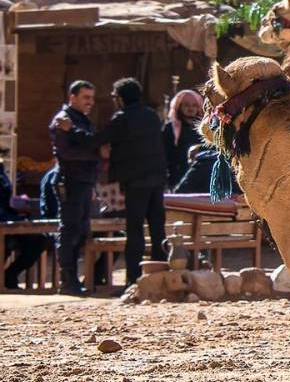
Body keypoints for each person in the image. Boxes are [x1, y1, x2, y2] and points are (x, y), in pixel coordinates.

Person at [93, 79, 169, 286]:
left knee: (135, 231)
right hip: (157, 179)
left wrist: (74, 132)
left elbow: (98, 139)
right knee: (157, 230)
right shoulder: (152, 116)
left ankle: (133, 281)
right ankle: (160, 279)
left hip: (136, 182)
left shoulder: (122, 118)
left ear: (120, 98)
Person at [48, 80, 100, 295]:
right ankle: (67, 280)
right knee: (70, 229)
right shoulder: (64, 120)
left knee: (81, 230)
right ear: (73, 97)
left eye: (92, 98)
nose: (90, 102)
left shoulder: (82, 120)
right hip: (70, 180)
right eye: (85, 97)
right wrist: (96, 153)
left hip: (84, 181)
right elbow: (66, 153)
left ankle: (74, 279)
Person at [1, 156, 49, 290]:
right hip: (4, 220)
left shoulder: (1, 170)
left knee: (39, 240)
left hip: (9, 219)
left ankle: (10, 275)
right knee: (6, 243)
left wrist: (17, 206)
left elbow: (5, 197)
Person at [163, 89, 206, 188]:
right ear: (179, 107)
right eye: (186, 105)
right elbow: (164, 153)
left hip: (199, 173)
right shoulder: (171, 127)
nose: (190, 108)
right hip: (177, 175)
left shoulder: (203, 129)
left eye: (194, 105)